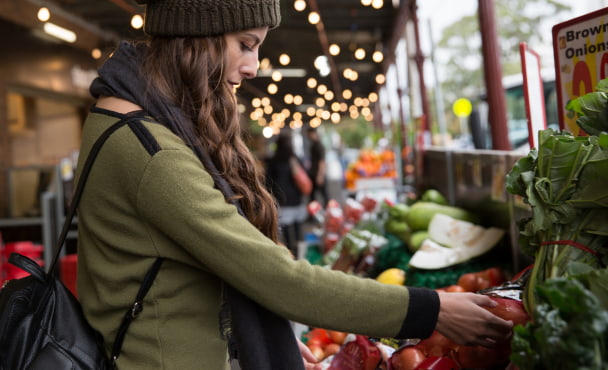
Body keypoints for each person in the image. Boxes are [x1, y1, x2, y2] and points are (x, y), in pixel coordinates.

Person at [75, 0, 513, 369]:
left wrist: (261, 340)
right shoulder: (151, 149)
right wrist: (431, 310)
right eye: (245, 44)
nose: (252, 67)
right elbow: (279, 280)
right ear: (197, 34)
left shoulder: (129, 120)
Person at [264, 131, 307, 257]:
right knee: (298, 229)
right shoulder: (296, 159)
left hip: (282, 200)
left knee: (287, 231)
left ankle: (291, 254)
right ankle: (301, 254)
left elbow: (268, 181)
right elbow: (304, 177)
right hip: (297, 199)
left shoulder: (274, 161)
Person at [306, 126, 329, 207]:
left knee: (324, 195)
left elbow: (322, 161)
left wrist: (320, 175)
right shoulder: (314, 145)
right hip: (314, 174)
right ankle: (314, 213)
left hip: (318, 174)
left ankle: (329, 211)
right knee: (313, 196)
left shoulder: (319, 146)